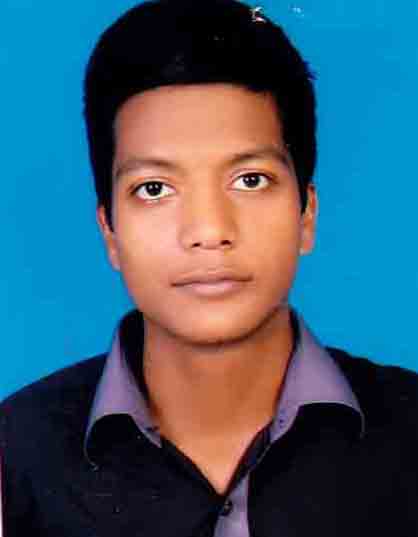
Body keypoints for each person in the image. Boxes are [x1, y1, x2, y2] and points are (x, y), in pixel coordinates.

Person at [1, 0, 418, 535]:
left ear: (307, 214)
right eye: (155, 189)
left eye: (250, 180)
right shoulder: (14, 454)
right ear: (109, 230)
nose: (208, 230)